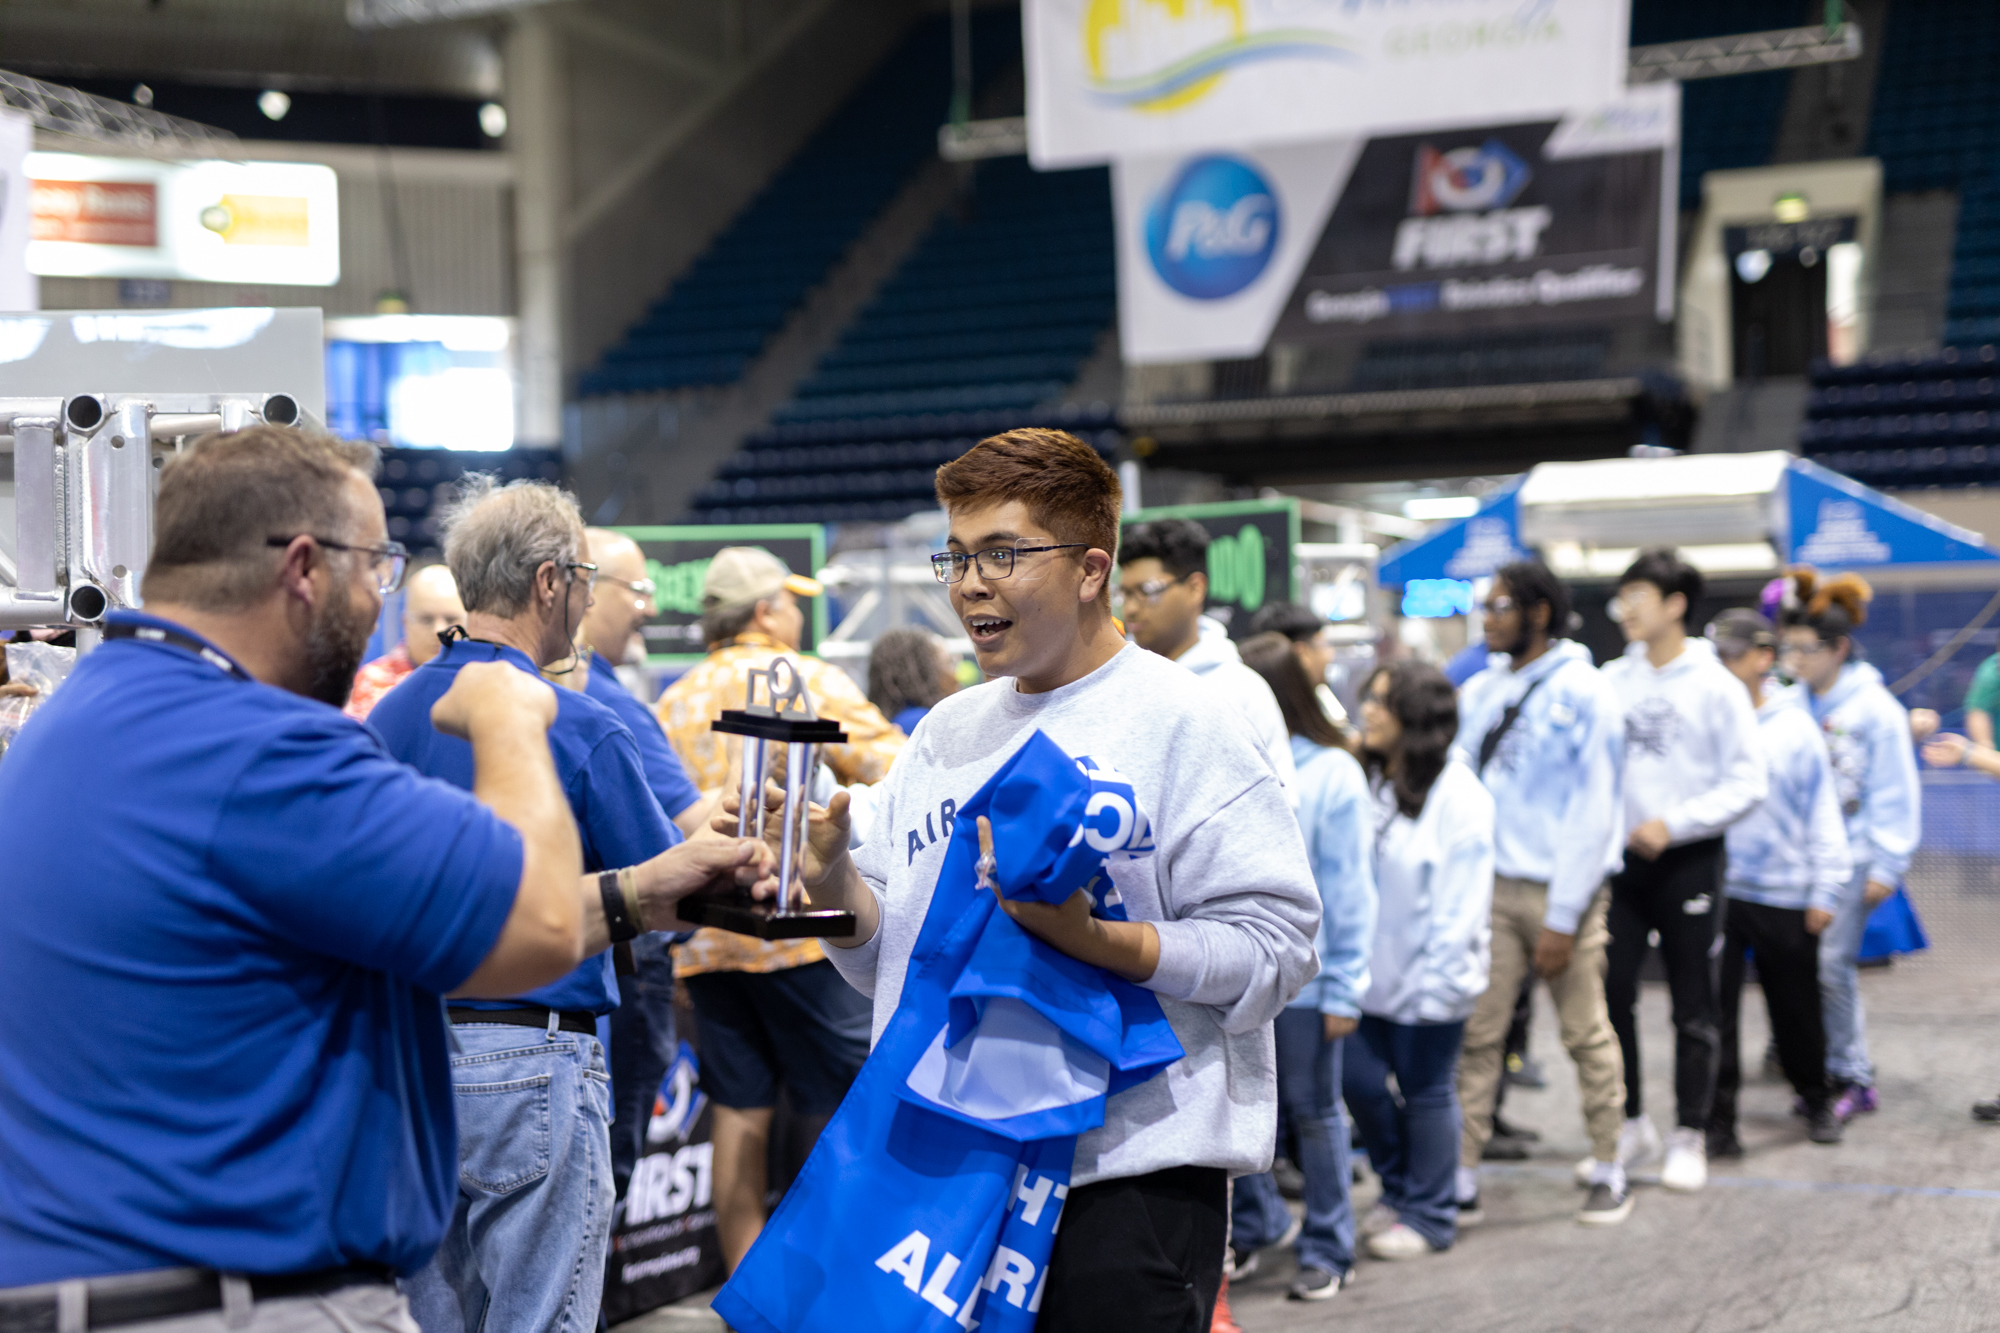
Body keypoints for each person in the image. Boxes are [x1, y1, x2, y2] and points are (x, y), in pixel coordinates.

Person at [0, 427, 773, 1331]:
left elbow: (420, 914)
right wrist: (512, 718)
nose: (383, 600)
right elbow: (524, 923)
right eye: (378, 566)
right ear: (303, 567)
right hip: (229, 1292)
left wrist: (638, 893)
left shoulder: (80, 723)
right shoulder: (260, 748)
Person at [762, 427, 1320, 1330]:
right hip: (946, 1178)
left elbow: (1278, 948)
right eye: (958, 556)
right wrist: (831, 880)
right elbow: (891, 962)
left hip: (1129, 1179)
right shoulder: (947, 733)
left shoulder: (1187, 721)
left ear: (1092, 568)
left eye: (1003, 554)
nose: (969, 583)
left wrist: (1107, 944)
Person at [368, 479, 688, 1333]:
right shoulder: (581, 725)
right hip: (532, 1059)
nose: (587, 597)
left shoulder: (387, 717)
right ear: (551, 581)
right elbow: (666, 893)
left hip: (406, 1061)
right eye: (583, 574)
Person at [653, 546, 902, 1271]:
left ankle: (745, 1293)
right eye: (791, 601)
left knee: (738, 1110)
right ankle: (828, 1285)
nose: (799, 613)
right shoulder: (803, 676)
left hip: (708, 937)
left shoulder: (674, 696)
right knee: (841, 1107)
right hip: (801, 938)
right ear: (766, 610)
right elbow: (898, 762)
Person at [1450, 559, 1633, 1226]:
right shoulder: (1478, 692)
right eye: (1486, 606)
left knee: (1585, 1033)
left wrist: (1563, 915)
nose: (1488, 619)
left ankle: (1610, 1166)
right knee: (1479, 1036)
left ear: (1541, 613)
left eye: (1501, 606)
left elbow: (1595, 810)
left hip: (1565, 892)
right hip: (1490, 891)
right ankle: (1462, 1175)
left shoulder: (1588, 691)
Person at [1601, 547, 1767, 1194]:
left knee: (1694, 1003)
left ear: (1674, 604)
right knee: (1613, 995)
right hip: (1621, 865)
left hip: (1688, 860)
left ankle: (1690, 1131)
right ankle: (1631, 1118)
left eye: (1637, 595)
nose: (1625, 609)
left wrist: (1675, 823)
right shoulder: (1612, 678)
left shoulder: (1717, 685)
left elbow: (1749, 782)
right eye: (1621, 597)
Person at [1226, 632, 1375, 1301]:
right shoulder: (1229, 761)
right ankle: (1257, 1225)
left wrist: (1345, 983)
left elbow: (1348, 890)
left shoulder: (1332, 772)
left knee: (1315, 1111)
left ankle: (1329, 1243)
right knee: (1240, 1105)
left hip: (1310, 977)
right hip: (1241, 968)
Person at [575, 527, 711, 1205]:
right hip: (615, 965)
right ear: (583, 588)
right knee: (598, 1184)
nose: (651, 608)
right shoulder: (604, 706)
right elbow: (677, 841)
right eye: (639, 589)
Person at [1344, 661, 1493, 1261]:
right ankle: (1401, 1188)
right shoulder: (1376, 780)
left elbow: (1460, 911)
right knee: (1355, 1080)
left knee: (1427, 1093)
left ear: (1416, 720)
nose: (1369, 712)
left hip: (1430, 987)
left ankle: (1431, 1215)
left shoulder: (1461, 797)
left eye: (1383, 702)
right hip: (1368, 982)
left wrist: (1437, 991)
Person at [1705, 608, 1851, 1154]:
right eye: (1716, 653)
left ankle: (1816, 1099)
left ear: (1764, 659)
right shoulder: (1710, 720)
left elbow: (1822, 811)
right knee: (1713, 1015)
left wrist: (1824, 889)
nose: (1722, 664)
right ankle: (1717, 1122)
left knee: (1796, 1009)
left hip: (1785, 892)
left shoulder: (1795, 728)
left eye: (1733, 654)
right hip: (1719, 889)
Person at [1777, 569, 1921, 1122]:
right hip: (1805, 861)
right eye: (1790, 649)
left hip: (1858, 857)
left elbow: (1895, 789)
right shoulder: (1793, 704)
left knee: (1833, 968)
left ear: (1838, 648)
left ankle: (1852, 1076)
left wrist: (1889, 862)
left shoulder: (1875, 708)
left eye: (1806, 650)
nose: (1796, 660)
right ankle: (1823, 1067)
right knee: (1812, 969)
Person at [1117, 518, 1297, 797]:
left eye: (1147, 591)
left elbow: (1279, 802)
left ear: (1195, 588)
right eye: (1125, 593)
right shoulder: (1120, 685)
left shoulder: (1242, 691)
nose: (1130, 609)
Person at [343, 559, 465, 719]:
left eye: (450, 619)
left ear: (467, 623)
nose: (439, 631)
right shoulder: (369, 685)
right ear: (405, 623)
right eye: (426, 619)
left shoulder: (484, 683)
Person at [1250, 600, 1351, 724]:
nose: (1330, 654)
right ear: (1302, 654)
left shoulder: (1254, 709)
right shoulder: (1294, 728)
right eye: (1324, 645)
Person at [866, 625, 957, 734]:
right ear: (924, 671)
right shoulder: (922, 722)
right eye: (948, 663)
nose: (955, 674)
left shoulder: (888, 722)